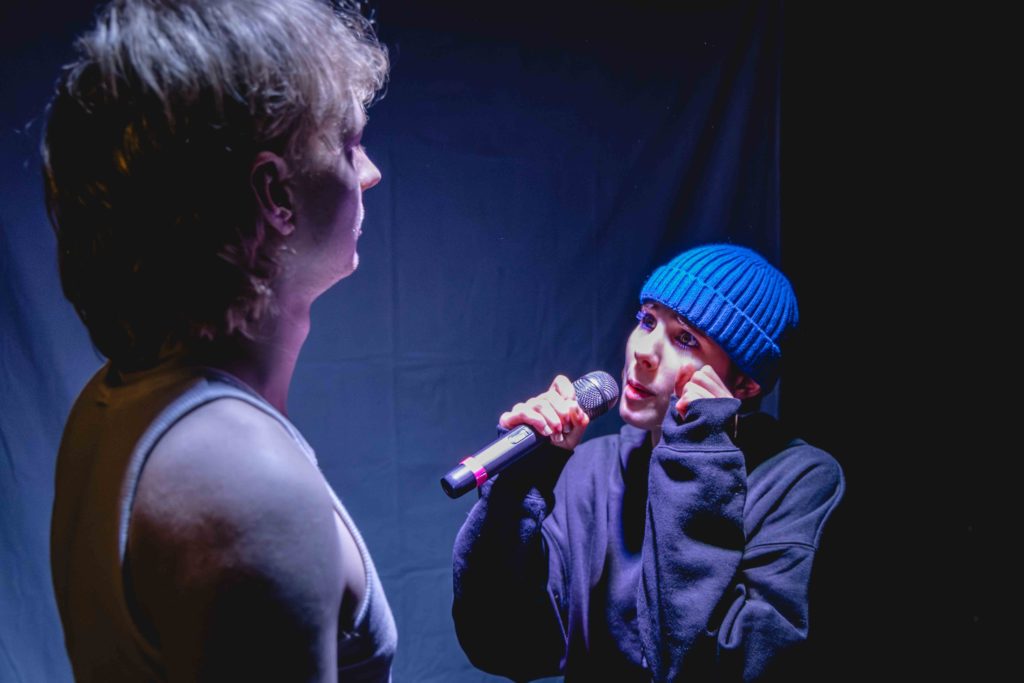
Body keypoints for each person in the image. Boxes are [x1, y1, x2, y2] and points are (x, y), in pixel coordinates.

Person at [43, 1, 395, 680]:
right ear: (275, 195)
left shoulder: (114, 403)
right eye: (349, 143)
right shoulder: (239, 479)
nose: (369, 171)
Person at [452, 243, 845, 682]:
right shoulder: (592, 469)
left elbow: (722, 669)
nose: (644, 351)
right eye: (647, 321)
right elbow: (507, 646)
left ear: (745, 384)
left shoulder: (801, 480)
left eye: (685, 339)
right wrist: (517, 490)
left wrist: (698, 458)